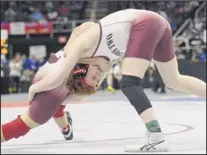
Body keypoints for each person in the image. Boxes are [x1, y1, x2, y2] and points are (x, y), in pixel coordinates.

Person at [1, 9, 206, 152]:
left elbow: (56, 79)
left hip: (145, 24)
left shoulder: (77, 50)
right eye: (98, 82)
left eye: (94, 78)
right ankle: (65, 124)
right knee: (174, 80)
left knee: (129, 83)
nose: (99, 77)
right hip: (158, 25)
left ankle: (156, 137)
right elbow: (89, 26)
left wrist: (33, 89)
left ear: (79, 70)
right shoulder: (98, 64)